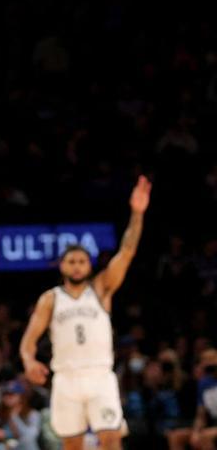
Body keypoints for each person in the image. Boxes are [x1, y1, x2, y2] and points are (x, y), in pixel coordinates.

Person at [20, 176, 152, 450]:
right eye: (71, 261)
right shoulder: (50, 299)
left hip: (100, 376)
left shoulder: (101, 289)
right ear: (62, 266)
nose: (77, 266)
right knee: (72, 445)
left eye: (82, 261)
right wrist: (29, 361)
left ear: (89, 266)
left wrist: (137, 214)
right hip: (66, 378)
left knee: (111, 439)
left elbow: (127, 251)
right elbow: (29, 341)